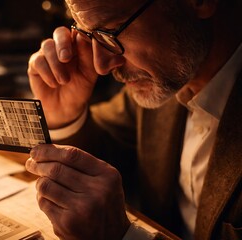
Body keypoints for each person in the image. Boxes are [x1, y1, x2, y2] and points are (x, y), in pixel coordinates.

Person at [25, 0, 242, 239]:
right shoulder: (168, 72)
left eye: (111, 32)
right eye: (88, 34)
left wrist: (121, 236)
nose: (102, 65)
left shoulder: (164, 66)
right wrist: (66, 115)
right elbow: (109, 151)